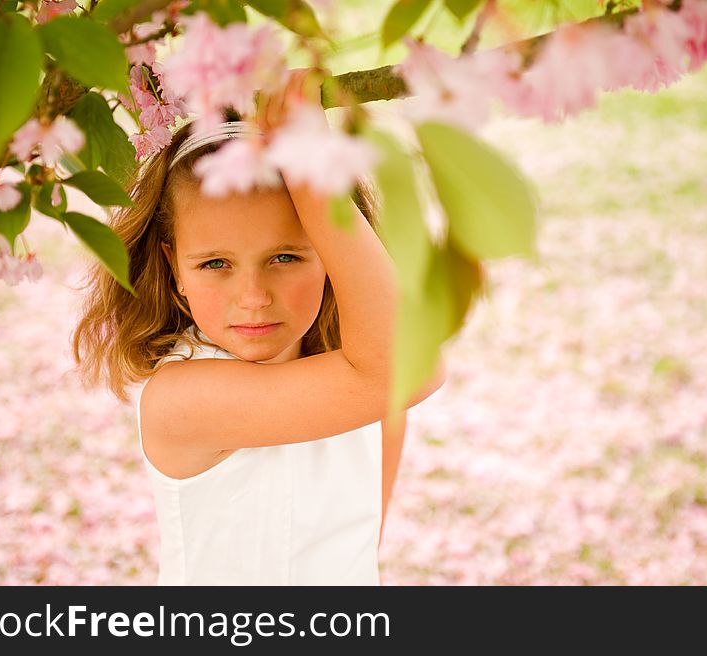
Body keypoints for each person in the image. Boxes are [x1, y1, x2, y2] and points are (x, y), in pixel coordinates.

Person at [70, 68, 447, 585]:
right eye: (215, 264)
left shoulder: (362, 384)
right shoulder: (181, 398)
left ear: (332, 252)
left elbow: (358, 551)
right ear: (173, 267)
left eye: (286, 256)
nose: (253, 297)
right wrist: (314, 181)